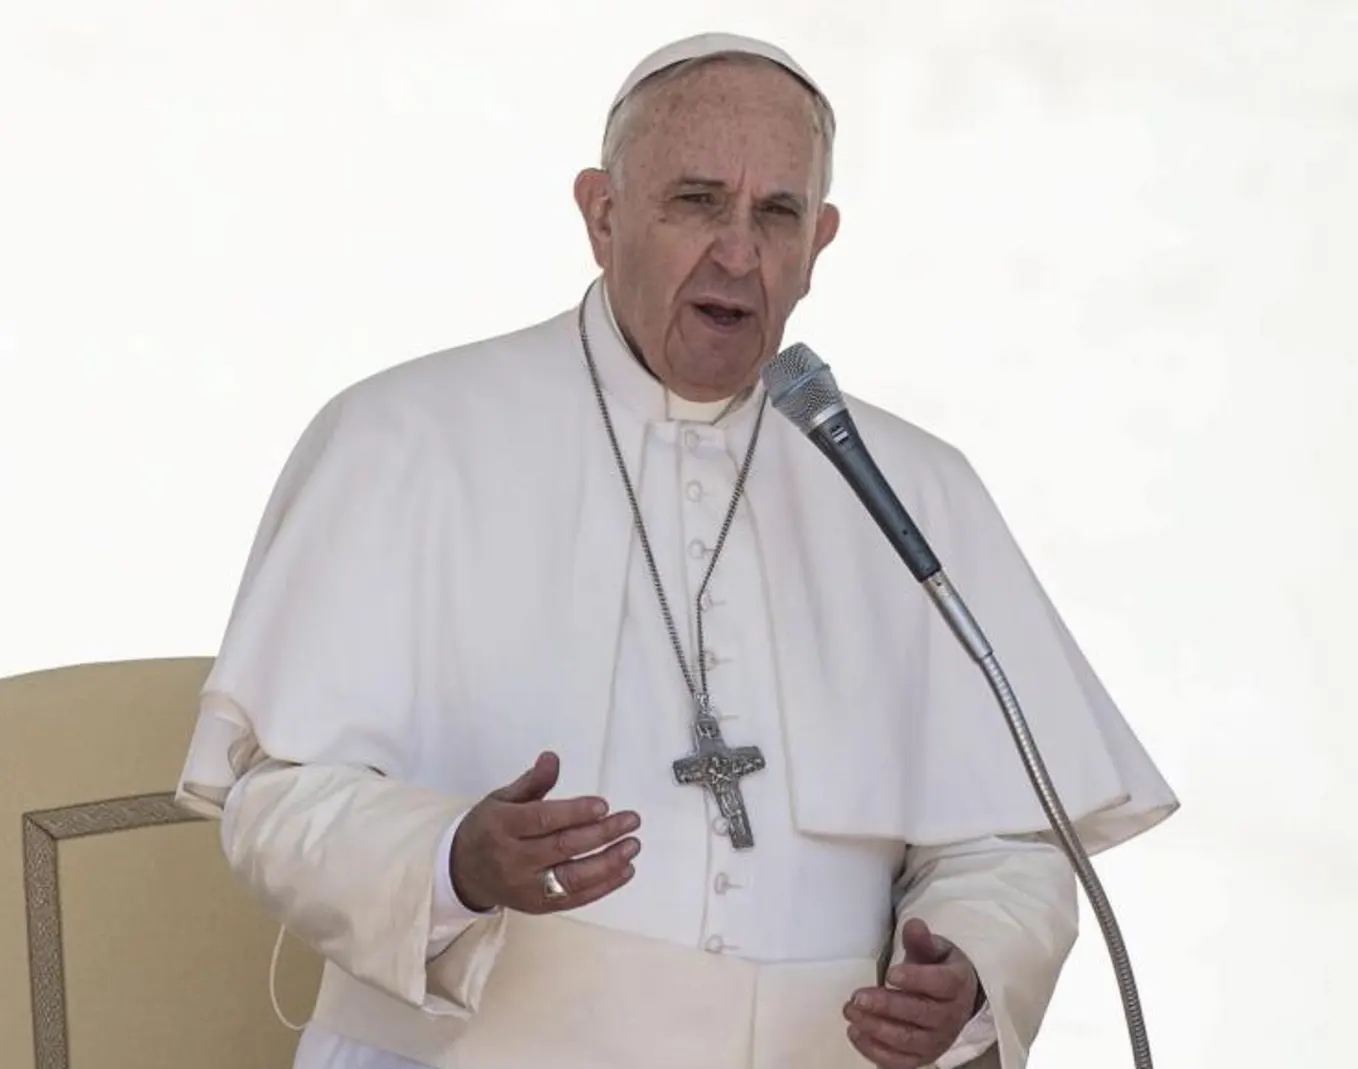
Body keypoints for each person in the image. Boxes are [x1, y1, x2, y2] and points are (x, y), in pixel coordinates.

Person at [175, 30, 1177, 1069]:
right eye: (697, 202)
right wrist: (452, 857)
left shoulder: (906, 486)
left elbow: (1008, 843)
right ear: (601, 215)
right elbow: (271, 799)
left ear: (819, 242)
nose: (738, 254)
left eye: (775, 214)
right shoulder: (405, 438)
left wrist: (966, 970)